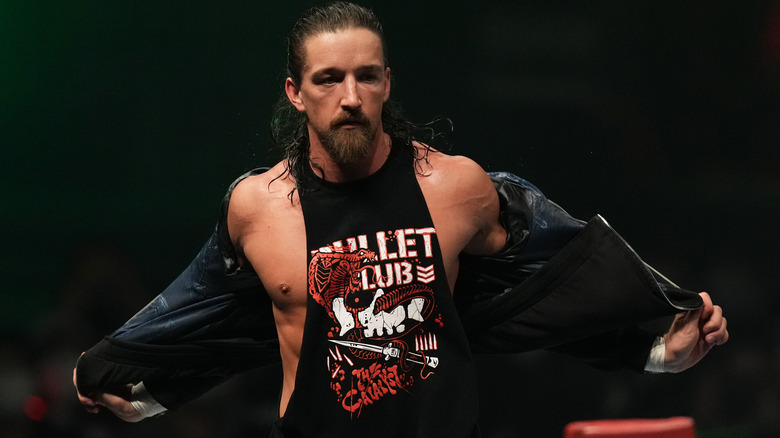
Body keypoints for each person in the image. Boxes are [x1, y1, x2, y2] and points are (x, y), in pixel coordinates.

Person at [74, 2, 729, 437]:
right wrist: (130, 376)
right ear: (295, 93)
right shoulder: (256, 207)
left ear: (388, 83)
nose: (351, 97)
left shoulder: (456, 187)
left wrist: (652, 348)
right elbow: (204, 314)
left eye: (366, 76)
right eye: (328, 78)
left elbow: (544, 289)